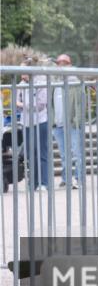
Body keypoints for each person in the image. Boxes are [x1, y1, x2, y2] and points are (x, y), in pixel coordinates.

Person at [15, 60, 51, 191]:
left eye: (23, 70)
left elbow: (41, 105)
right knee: (30, 154)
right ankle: (33, 182)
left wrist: (22, 105)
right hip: (26, 123)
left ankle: (44, 182)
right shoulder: (20, 84)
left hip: (40, 122)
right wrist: (21, 106)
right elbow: (16, 102)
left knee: (42, 152)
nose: (20, 73)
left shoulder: (41, 83)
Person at [52, 54, 84, 189]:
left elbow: (80, 102)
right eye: (59, 63)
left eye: (65, 62)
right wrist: (52, 121)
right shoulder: (54, 82)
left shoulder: (75, 81)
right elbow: (50, 103)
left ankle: (79, 179)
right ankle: (66, 178)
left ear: (70, 64)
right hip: (58, 125)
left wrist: (77, 120)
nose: (62, 65)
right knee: (64, 155)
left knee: (76, 153)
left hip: (72, 124)